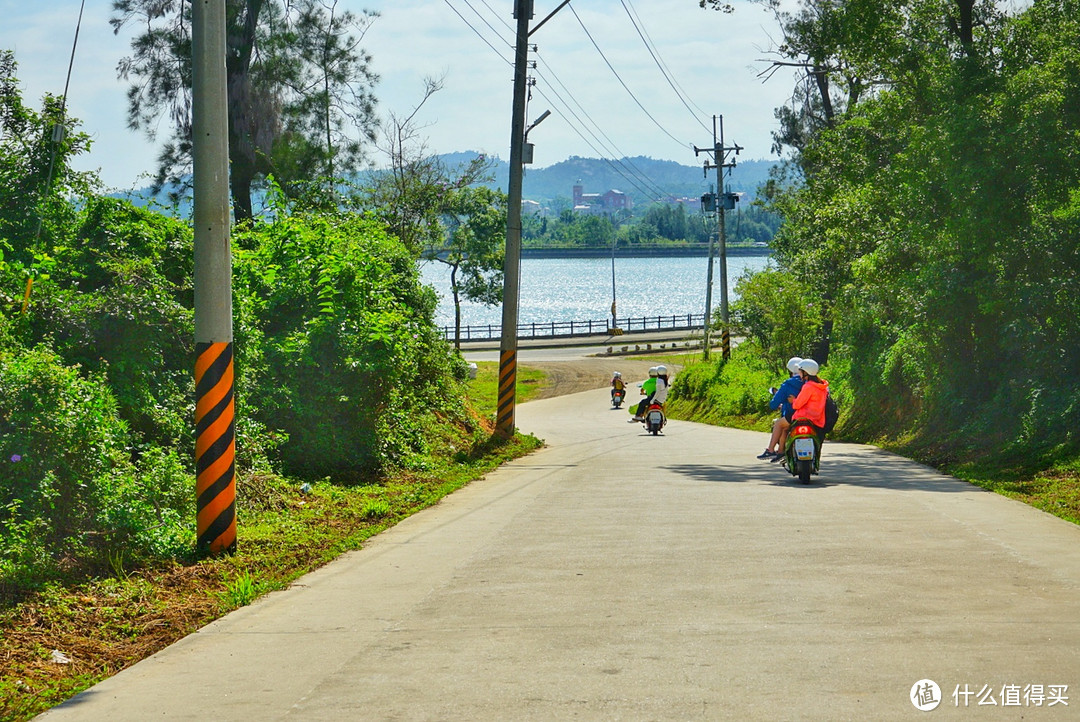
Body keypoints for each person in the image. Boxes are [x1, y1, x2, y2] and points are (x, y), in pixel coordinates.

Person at [757, 357, 804, 460]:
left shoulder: (787, 384)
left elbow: (774, 404)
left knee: (779, 424)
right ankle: (781, 451)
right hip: (813, 416)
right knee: (784, 429)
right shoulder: (813, 383)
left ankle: (771, 450)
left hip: (793, 415)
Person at [789, 358, 829, 430]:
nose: (799, 373)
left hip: (802, 419)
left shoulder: (808, 387)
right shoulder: (823, 387)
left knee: (784, 428)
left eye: (800, 371)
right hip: (818, 422)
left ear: (805, 372)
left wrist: (793, 400)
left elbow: (797, 405)